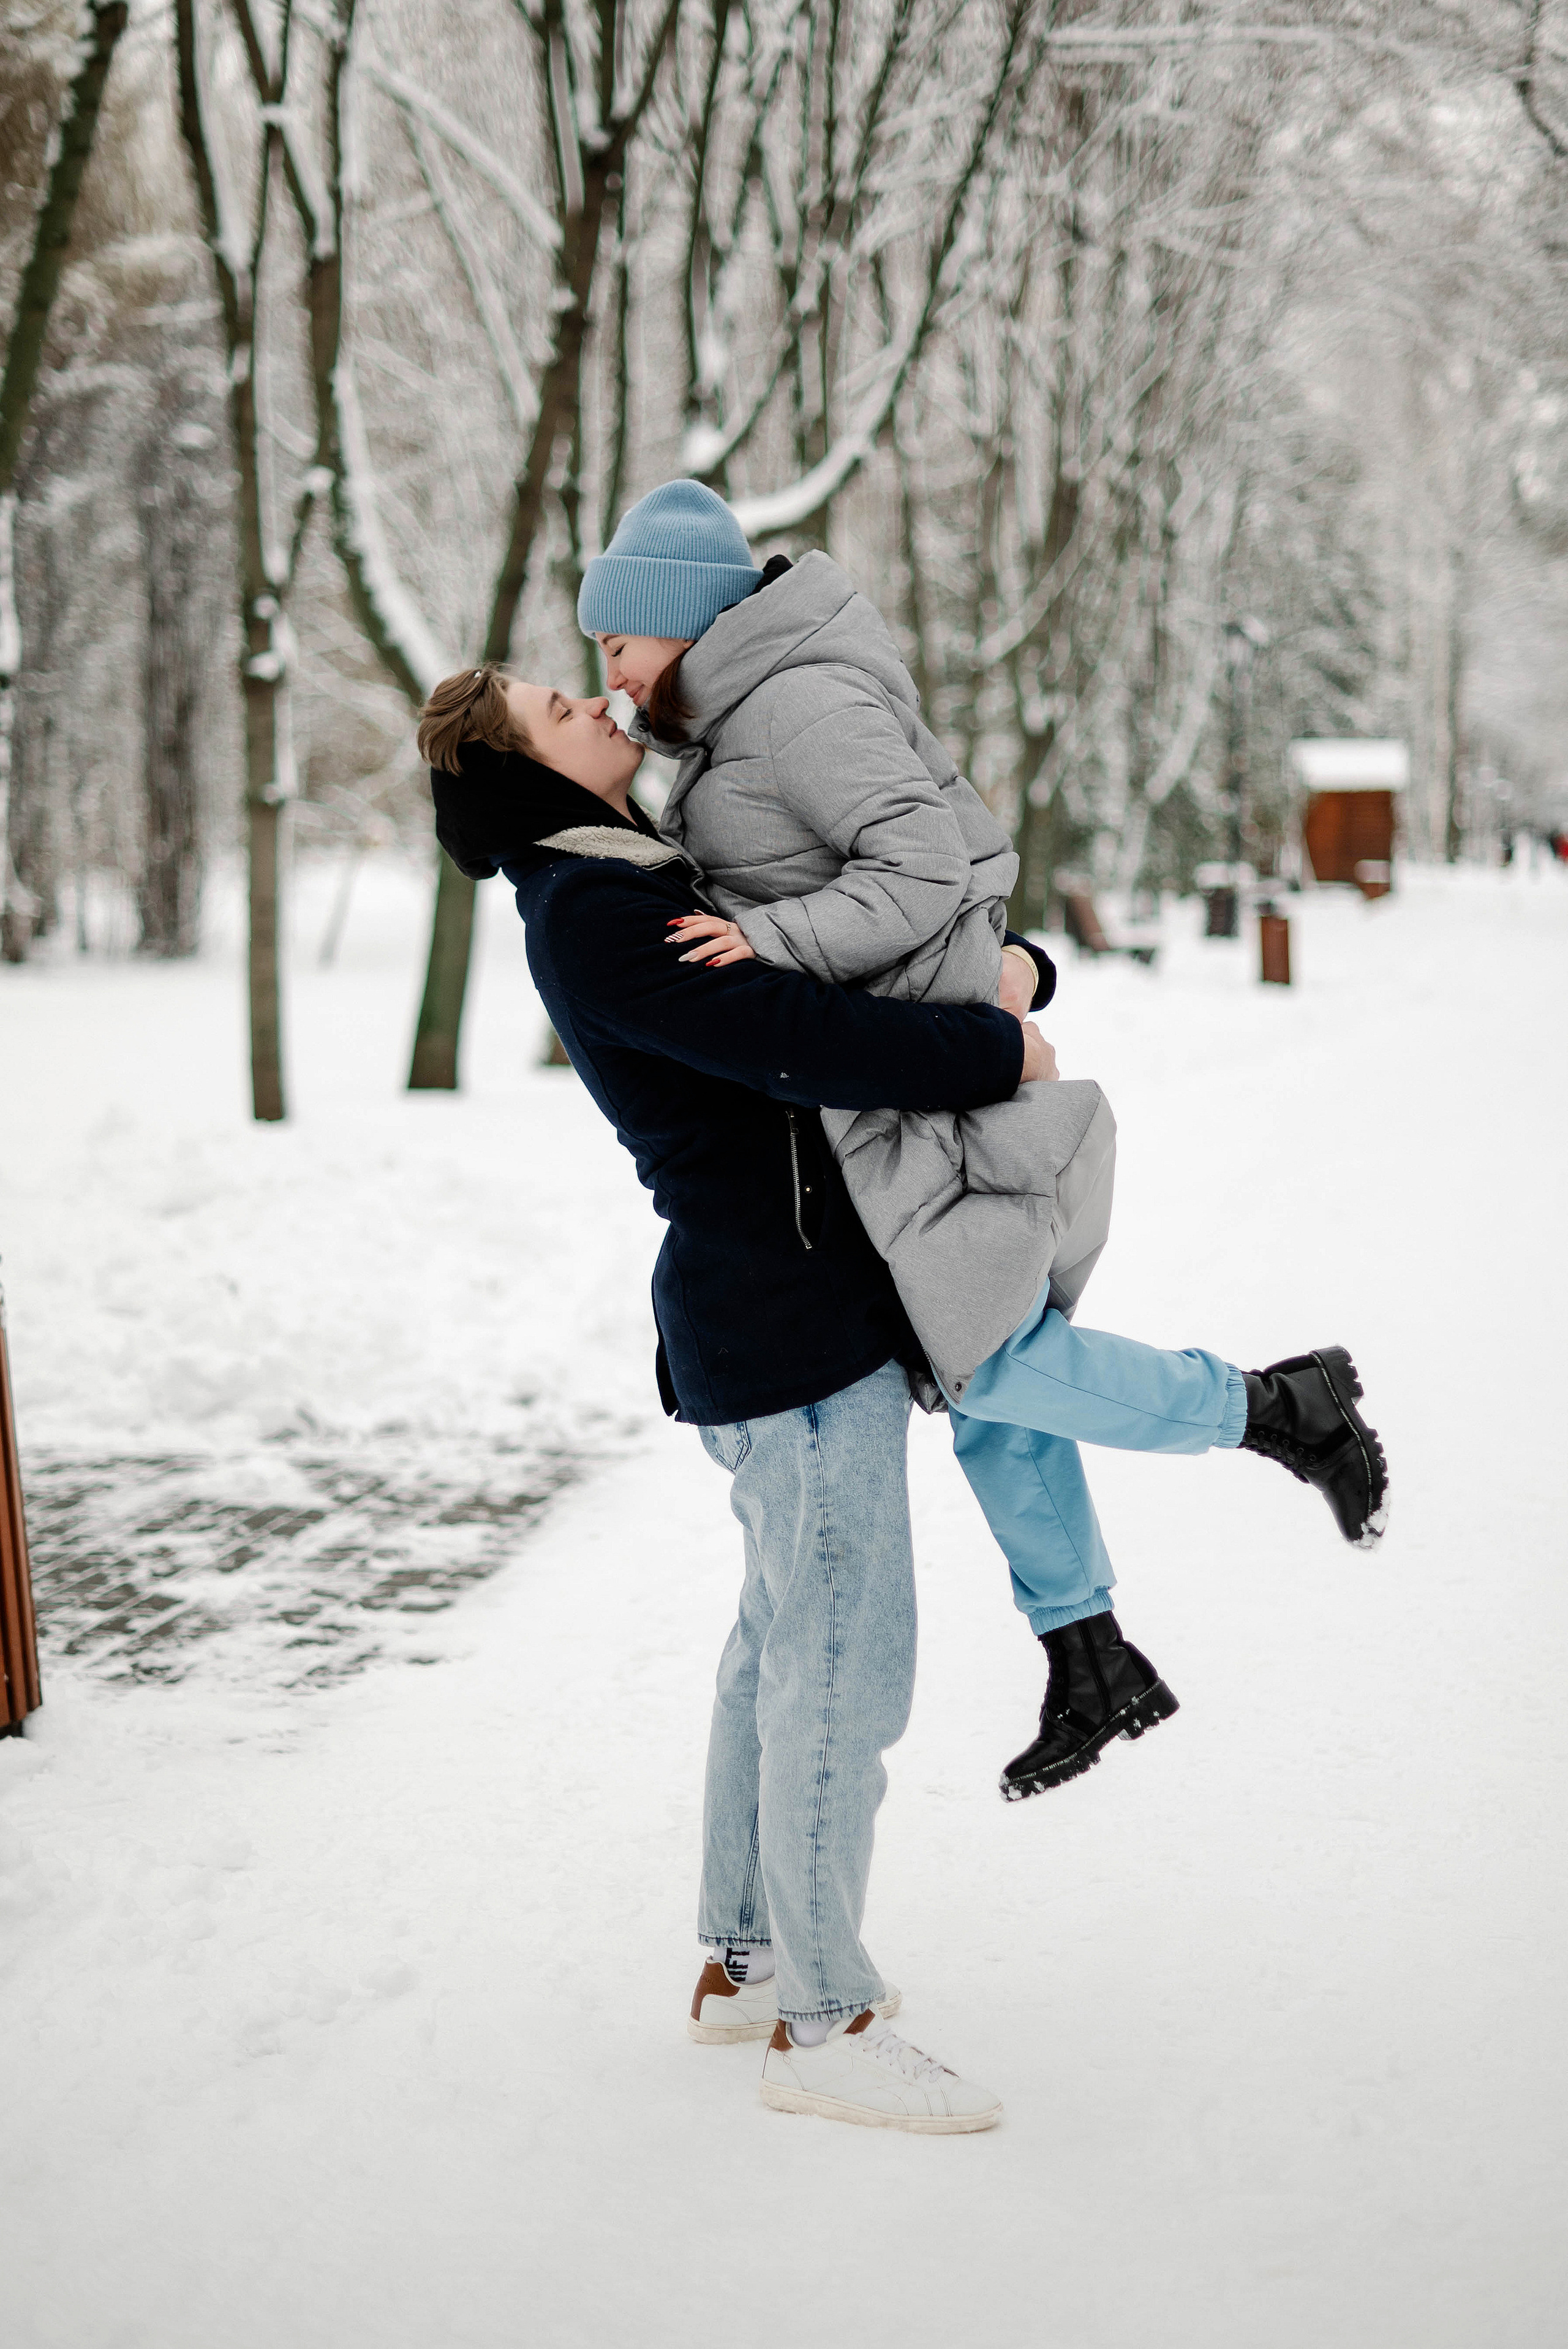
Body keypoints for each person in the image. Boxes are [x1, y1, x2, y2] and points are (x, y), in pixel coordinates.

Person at [576, 479, 1390, 1802]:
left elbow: (921, 872)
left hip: (932, 1096)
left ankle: (1279, 1408)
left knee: (993, 1360)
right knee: (985, 1366)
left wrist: (769, 944)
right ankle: (1089, 1653)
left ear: (681, 618)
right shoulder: (740, 718)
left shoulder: (796, 702)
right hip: (901, 1093)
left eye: (617, 642)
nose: (609, 674)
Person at [417, 661, 1022, 2132]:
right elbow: (801, 1041)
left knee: (779, 1649)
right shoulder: (595, 908)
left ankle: (744, 1962)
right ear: (520, 771)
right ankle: (823, 2026)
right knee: (841, 1666)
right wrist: (999, 1044)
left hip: (777, 1313)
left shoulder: (631, 873)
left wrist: (1002, 974)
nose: (595, 706)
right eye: (558, 711)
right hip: (784, 1326)